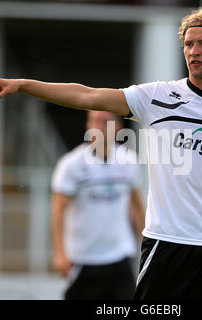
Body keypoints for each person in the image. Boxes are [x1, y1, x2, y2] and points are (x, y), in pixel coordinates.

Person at [0, 7, 202, 299]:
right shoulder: (157, 97)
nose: (194, 51)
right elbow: (87, 95)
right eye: (188, 44)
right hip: (168, 244)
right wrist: (24, 84)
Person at [51, 110, 145, 300]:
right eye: (95, 121)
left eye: (106, 122)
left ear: (118, 127)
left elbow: (136, 206)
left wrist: (147, 245)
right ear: (88, 126)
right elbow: (59, 211)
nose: (100, 127)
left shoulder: (129, 160)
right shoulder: (72, 164)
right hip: (83, 259)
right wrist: (60, 253)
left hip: (120, 256)